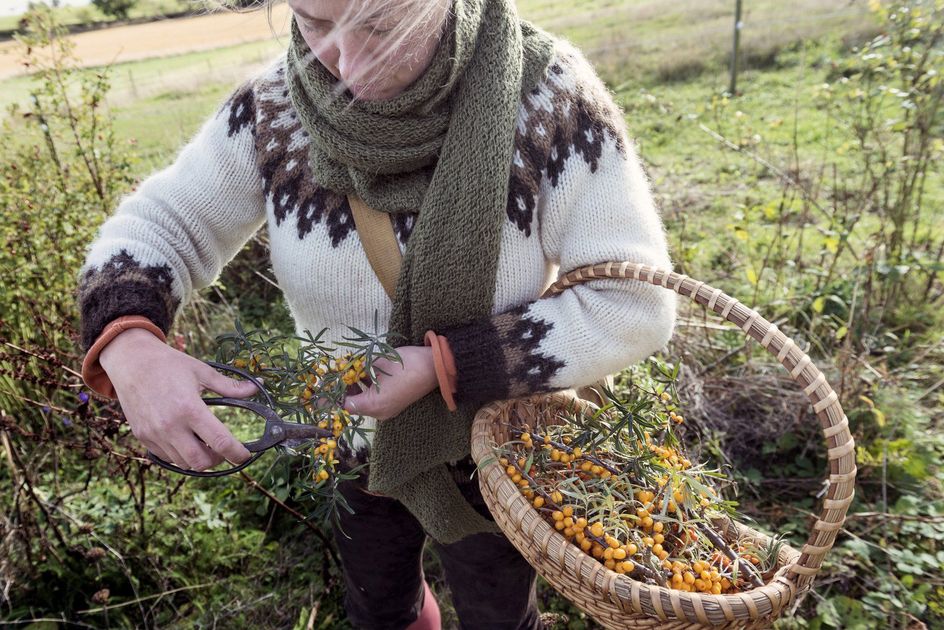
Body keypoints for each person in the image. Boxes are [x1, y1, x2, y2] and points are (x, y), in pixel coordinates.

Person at [77, 0, 677, 627]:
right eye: (314, 24)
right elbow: (159, 228)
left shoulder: (550, 99)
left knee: (498, 611)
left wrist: (450, 364)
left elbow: (632, 304)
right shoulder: (274, 109)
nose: (347, 69)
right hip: (346, 441)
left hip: (498, 448)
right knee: (379, 606)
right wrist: (130, 343)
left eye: (381, 28)